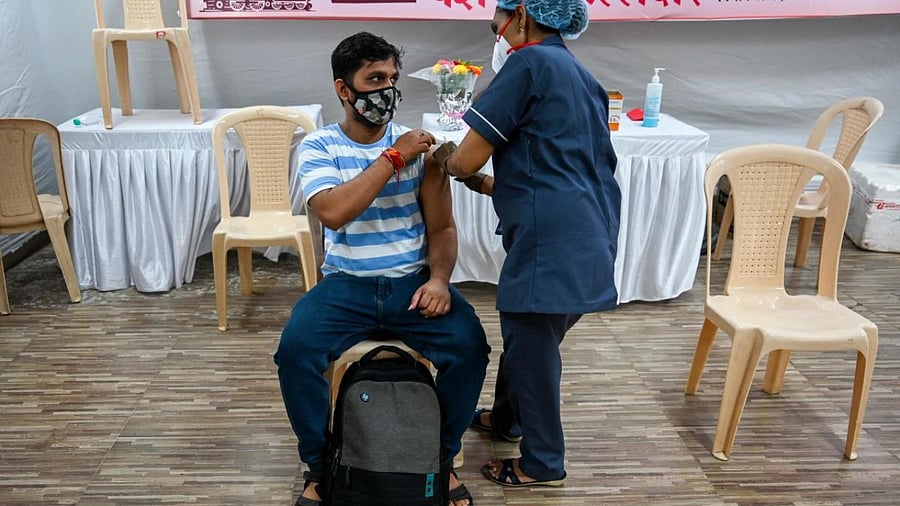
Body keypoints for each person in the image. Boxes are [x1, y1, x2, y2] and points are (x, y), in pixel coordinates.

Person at [274, 32, 489, 506]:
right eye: (374, 79)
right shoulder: (319, 147)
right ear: (343, 89)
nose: (386, 91)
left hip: (411, 285)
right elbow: (332, 211)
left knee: (470, 348)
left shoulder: (420, 151)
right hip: (346, 285)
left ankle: (440, 459)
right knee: (296, 352)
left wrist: (438, 280)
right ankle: (319, 464)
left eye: (392, 79)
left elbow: (443, 230)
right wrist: (392, 158)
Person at [432, 0, 621, 489]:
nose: (494, 32)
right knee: (530, 336)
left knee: (531, 345)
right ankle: (507, 419)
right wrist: (497, 186)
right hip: (590, 229)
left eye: (496, 21)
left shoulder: (529, 63)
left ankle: (542, 462)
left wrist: (445, 161)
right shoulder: (578, 73)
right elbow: (560, 162)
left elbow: (468, 157)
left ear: (521, 14)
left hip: (551, 240)